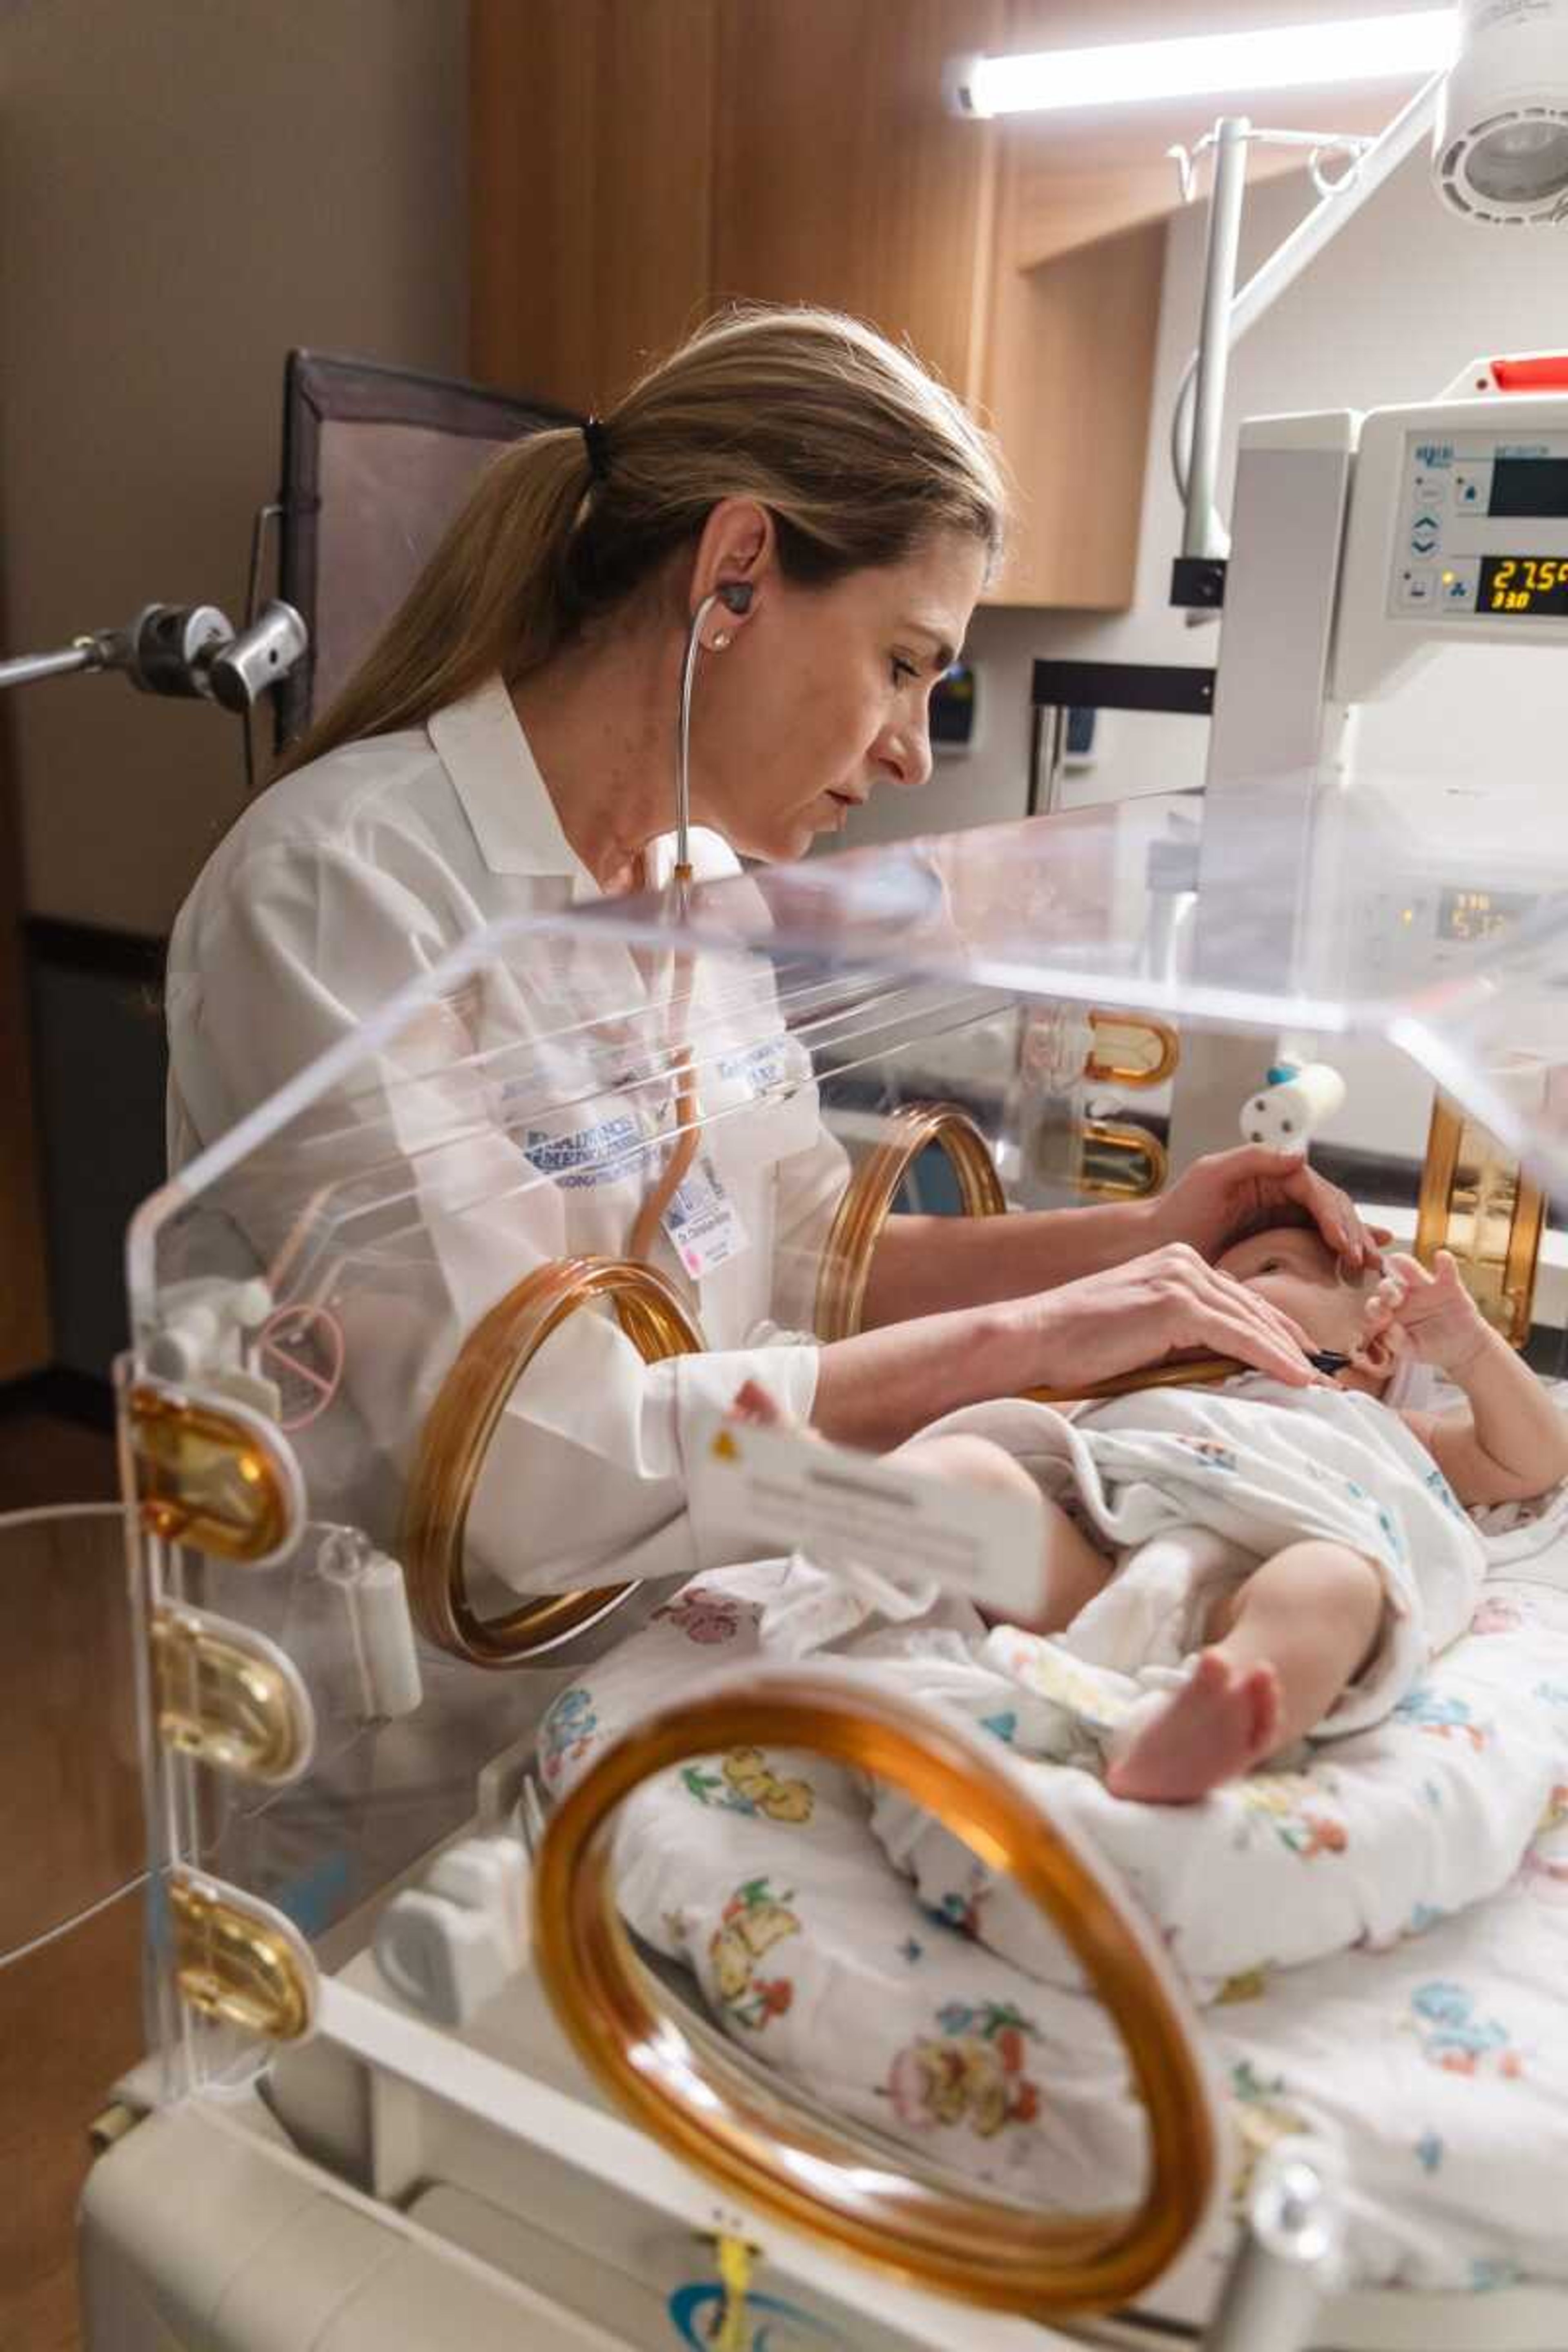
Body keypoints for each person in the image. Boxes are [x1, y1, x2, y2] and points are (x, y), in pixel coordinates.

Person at [165, 303, 1380, 1599]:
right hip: (412, 1710)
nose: (913, 748)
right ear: (735, 570)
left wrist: (1139, 1244)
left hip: (692, 1631)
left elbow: (803, 1264)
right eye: (905, 663)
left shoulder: (698, 887)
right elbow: (522, 1467)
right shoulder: (344, 888)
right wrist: (1037, 1337)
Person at [737, 1232, 1565, 1803]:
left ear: (1373, 1352)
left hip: (1248, 1589)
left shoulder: (1376, 1422)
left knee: (1334, 1588)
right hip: (1097, 1570)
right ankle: (828, 1494)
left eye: (1265, 1267)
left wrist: (1469, 1350)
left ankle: (1195, 1729)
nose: (1203, 1286)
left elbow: (1529, 1461)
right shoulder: (1149, 1389)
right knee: (978, 1471)